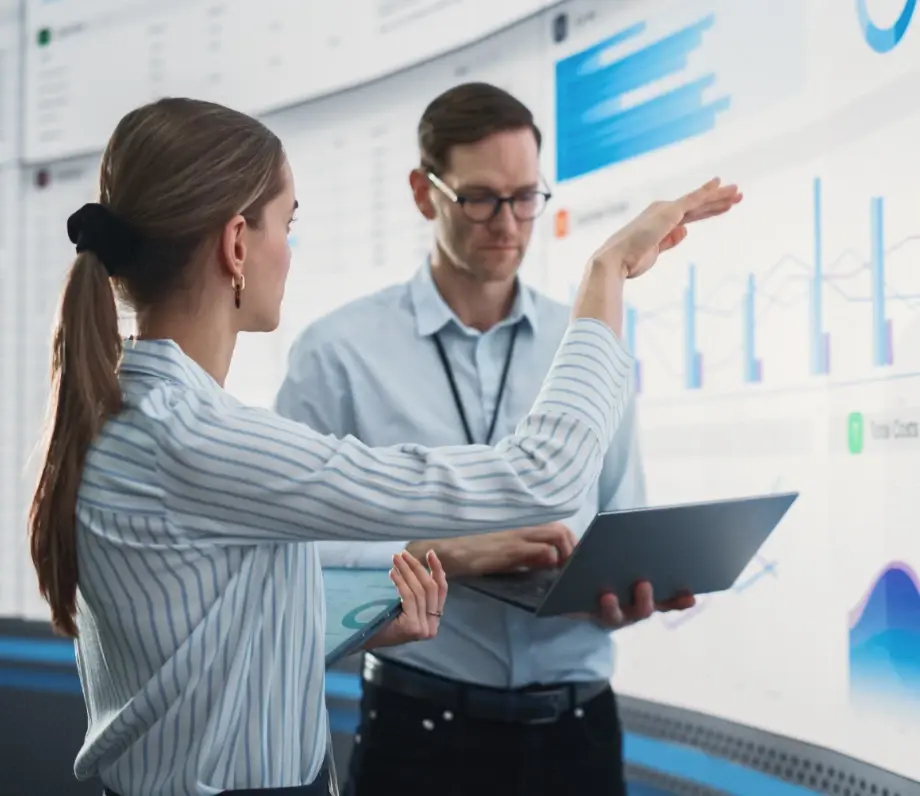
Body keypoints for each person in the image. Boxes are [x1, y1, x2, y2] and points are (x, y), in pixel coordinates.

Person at [26, 95, 733, 796]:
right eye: (287, 223)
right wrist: (606, 274)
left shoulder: (142, 413)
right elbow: (541, 474)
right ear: (237, 244)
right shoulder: (194, 437)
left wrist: (359, 615)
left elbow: (209, 636)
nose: (289, 251)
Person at [274, 82, 742, 796]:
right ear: (422, 191)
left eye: (526, 197)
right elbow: (289, 561)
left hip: (577, 732)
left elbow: (619, 513)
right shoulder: (337, 354)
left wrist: (622, 594)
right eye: (481, 198)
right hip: (420, 731)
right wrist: (448, 558)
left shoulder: (584, 340)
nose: (509, 224)